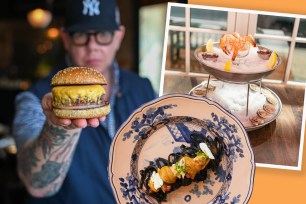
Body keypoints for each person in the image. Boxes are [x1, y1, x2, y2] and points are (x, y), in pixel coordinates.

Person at [12, 0, 156, 203]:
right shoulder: (36, 98)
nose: (92, 47)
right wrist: (58, 127)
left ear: (118, 36)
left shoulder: (144, 88)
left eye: (103, 35)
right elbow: (37, 185)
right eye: (81, 35)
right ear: (66, 39)